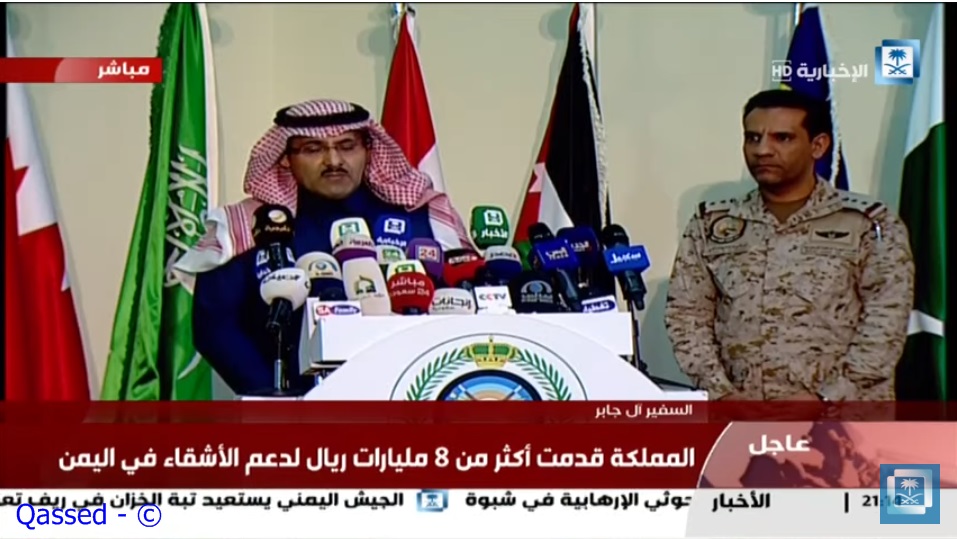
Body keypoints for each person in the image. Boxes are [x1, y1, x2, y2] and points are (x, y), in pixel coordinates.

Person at [174, 99, 471, 395]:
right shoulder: (248, 226)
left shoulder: (423, 216)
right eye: (313, 149)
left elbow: (466, 302)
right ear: (285, 158)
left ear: (368, 150)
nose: (333, 161)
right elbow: (216, 325)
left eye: (347, 146)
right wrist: (282, 400)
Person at [664, 89, 914, 402]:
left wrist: (826, 398)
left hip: (844, 415)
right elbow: (686, 315)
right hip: (744, 413)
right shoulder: (714, 224)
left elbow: (887, 320)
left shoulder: (868, 223)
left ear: (818, 145)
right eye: (753, 138)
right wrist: (721, 393)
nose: (762, 150)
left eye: (782, 138)